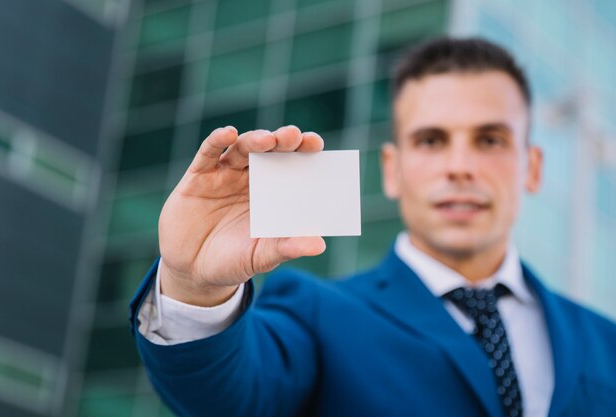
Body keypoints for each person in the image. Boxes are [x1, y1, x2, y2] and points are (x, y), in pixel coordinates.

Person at [129, 37, 616, 417]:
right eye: (431, 140)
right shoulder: (317, 315)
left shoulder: (605, 342)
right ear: (392, 169)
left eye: (490, 139)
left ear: (531, 167)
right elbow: (232, 397)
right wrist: (194, 287)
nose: (461, 166)